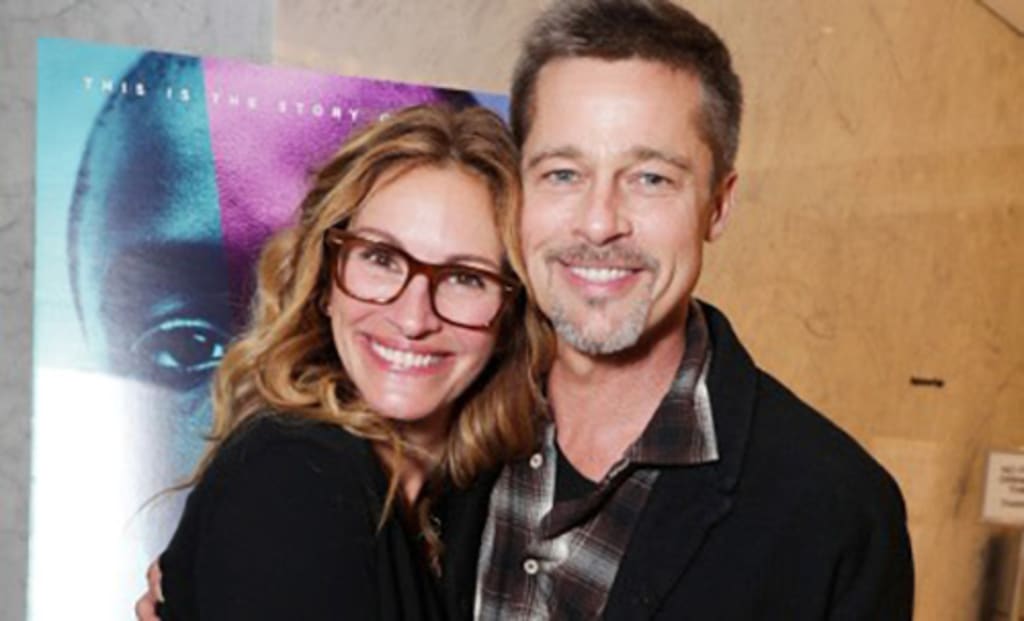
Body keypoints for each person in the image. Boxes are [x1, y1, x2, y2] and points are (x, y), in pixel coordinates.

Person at [141, 1, 915, 618]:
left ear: (718, 202)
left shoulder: (834, 512)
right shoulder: (430, 437)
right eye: (563, 173)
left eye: (650, 178)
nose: (600, 222)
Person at [145, 104, 545, 619]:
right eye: (381, 258)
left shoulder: (462, 506)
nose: (413, 318)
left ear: (510, 317)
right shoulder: (292, 476)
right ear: (325, 281)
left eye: (466, 278)